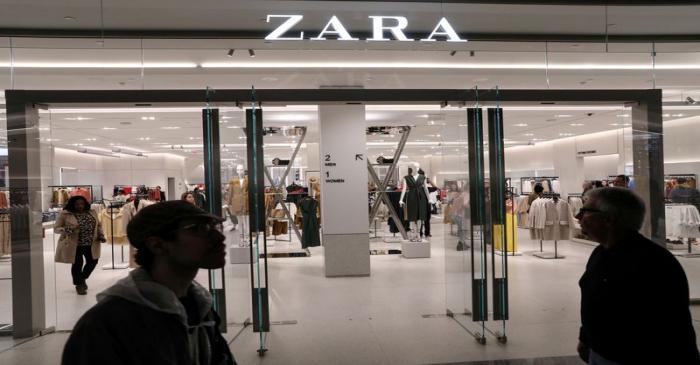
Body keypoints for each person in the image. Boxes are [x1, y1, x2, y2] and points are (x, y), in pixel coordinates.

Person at [61, 201, 236, 365]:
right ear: (157, 245)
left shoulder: (199, 307)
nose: (219, 237)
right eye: (199, 229)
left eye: (213, 227)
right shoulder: (105, 324)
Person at [575, 187, 700, 364]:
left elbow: (671, 326)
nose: (578, 217)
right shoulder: (600, 252)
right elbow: (594, 302)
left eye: (585, 211)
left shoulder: (653, 262)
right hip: (602, 352)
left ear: (609, 218)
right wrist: (586, 338)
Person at [54, 196, 106, 295]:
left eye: (81, 204)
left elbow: (98, 225)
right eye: (77, 204)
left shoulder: (91, 212)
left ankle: (82, 279)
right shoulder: (65, 214)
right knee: (77, 264)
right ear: (72, 204)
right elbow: (56, 228)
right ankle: (79, 285)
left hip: (91, 243)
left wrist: (101, 235)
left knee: (93, 261)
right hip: (74, 244)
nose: (80, 206)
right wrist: (69, 229)